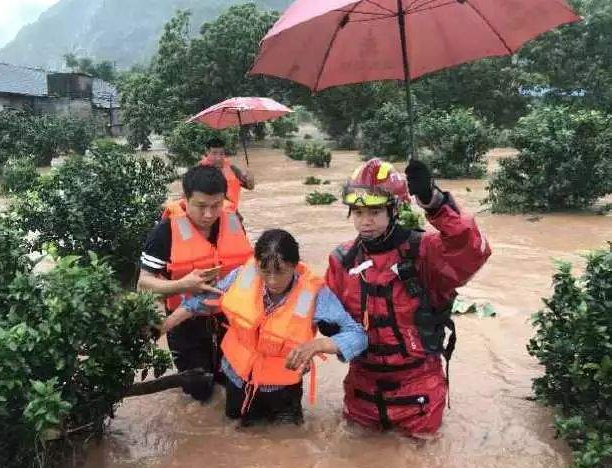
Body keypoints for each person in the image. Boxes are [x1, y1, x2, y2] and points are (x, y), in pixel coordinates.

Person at [287, 158, 491, 436]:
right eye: (358, 212)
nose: (365, 221)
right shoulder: (341, 260)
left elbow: (471, 249)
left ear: (393, 209)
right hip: (361, 391)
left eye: (374, 212)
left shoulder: (424, 252)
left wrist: (434, 201)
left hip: (419, 391)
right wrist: (306, 350)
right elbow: (321, 314)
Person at [162, 229, 368, 425]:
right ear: (257, 264)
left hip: (282, 390)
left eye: (280, 272)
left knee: (287, 449)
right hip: (236, 380)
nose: (272, 280)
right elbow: (200, 302)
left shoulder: (316, 295)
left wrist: (318, 345)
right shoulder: (242, 276)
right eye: (265, 271)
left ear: (295, 265)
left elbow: (358, 335)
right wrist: (162, 327)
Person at [137, 165, 253, 402]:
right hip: (185, 324)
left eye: (216, 205)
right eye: (201, 206)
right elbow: (143, 284)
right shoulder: (164, 233)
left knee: (233, 385)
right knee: (199, 393)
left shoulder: (233, 220)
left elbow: (249, 270)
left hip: (229, 320)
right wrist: (182, 285)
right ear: (186, 198)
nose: (209, 214)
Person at [200, 137, 255, 210]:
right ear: (207, 152)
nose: (218, 158)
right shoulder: (199, 171)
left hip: (230, 211)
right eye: (214, 153)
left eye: (221, 153)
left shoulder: (231, 168)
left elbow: (250, 187)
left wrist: (250, 178)